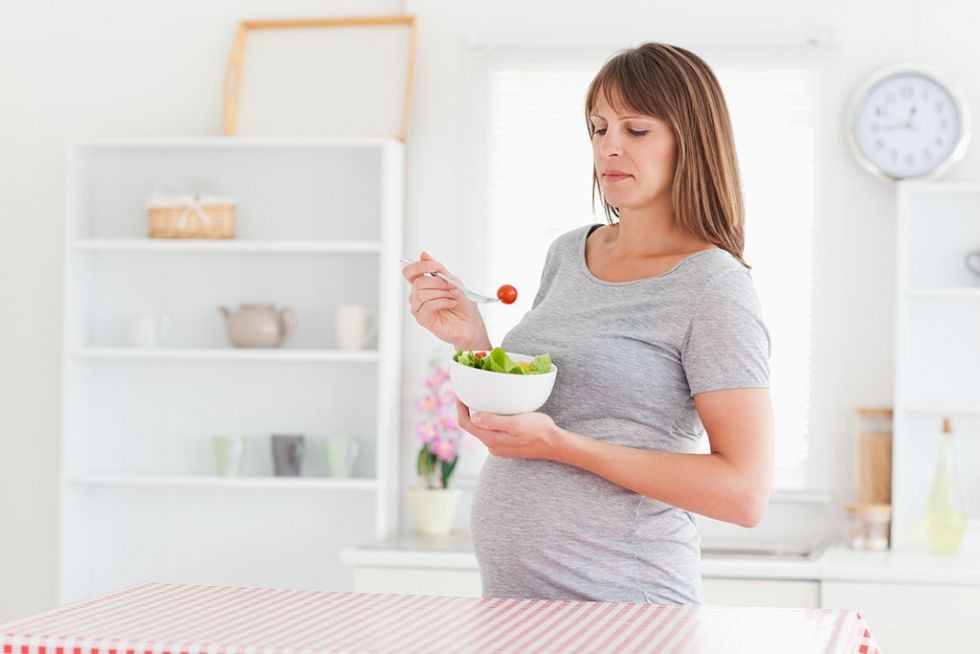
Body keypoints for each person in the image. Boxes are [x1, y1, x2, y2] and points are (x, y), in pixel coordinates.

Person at [402, 42, 774, 605]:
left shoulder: (713, 286)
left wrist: (564, 447)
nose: (609, 147)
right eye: (599, 129)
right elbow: (534, 414)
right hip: (515, 606)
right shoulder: (569, 253)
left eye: (636, 129)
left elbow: (744, 495)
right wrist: (472, 338)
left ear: (691, 140)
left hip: (627, 611)